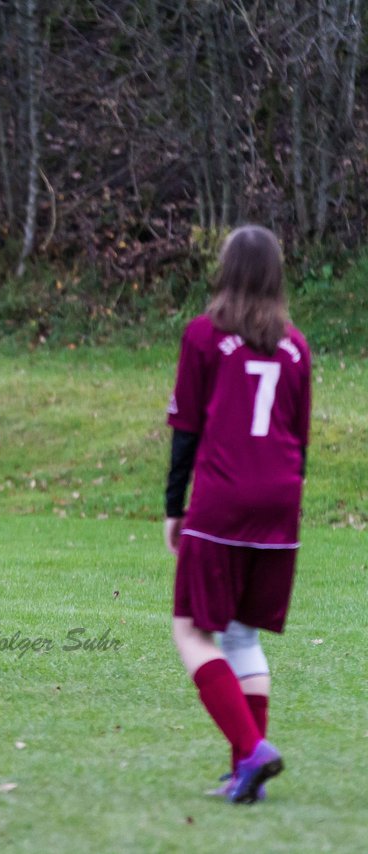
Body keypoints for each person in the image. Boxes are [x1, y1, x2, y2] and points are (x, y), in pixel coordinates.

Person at [164, 224, 309, 804]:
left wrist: (174, 506)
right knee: (243, 635)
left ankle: (252, 750)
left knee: (193, 630)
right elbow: (299, 436)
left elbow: (186, 430)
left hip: (223, 500)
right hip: (281, 503)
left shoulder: (204, 335)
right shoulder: (296, 345)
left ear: (225, 270)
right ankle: (244, 775)